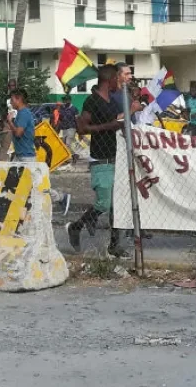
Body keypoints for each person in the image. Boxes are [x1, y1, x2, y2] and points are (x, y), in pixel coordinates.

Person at [66, 64, 129, 258]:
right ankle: (76, 227)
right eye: (117, 79)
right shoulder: (91, 101)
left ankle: (114, 246)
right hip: (100, 159)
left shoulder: (113, 103)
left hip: (115, 157)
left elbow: (119, 121)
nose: (119, 82)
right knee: (103, 203)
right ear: (108, 81)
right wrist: (109, 126)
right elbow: (82, 129)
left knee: (116, 206)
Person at [7, 88, 72, 215]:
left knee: (37, 185)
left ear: (18, 99)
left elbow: (19, 133)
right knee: (13, 181)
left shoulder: (24, 113)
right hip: (21, 155)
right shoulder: (23, 113)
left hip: (26, 156)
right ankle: (19, 209)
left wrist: (9, 121)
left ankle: (61, 197)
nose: (10, 102)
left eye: (12, 99)